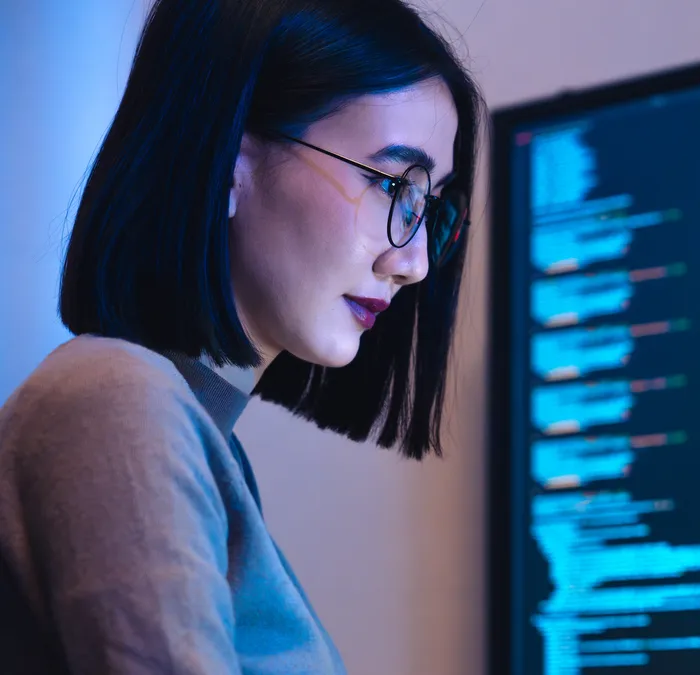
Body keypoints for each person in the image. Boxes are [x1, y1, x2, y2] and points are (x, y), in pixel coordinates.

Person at [0, 0, 482, 671]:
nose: (415, 261)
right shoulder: (111, 401)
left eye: (430, 206)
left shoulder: (196, 440)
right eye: (387, 182)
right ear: (227, 154)